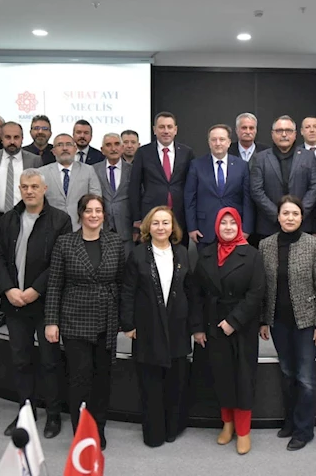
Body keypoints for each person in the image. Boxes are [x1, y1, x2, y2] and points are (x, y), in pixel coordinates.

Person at [0, 169, 72, 439]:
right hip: (14, 302)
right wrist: (8, 289)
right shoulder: (8, 219)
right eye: (24, 186)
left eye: (34, 186)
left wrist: (36, 290)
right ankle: (26, 412)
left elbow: (59, 261)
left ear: (44, 189)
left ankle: (53, 414)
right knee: (21, 361)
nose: (29, 191)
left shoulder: (60, 220)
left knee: (50, 361)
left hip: (46, 303)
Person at [45, 194, 126, 449]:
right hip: (74, 319)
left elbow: (121, 281)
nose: (93, 215)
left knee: (102, 379)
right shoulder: (65, 243)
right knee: (80, 380)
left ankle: (98, 428)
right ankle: (81, 432)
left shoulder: (115, 241)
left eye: (98, 211)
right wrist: (51, 321)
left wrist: (124, 319)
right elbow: (54, 284)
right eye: (89, 210)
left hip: (106, 319)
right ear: (80, 214)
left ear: (104, 215)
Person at [191, 208, 265, 455]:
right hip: (213, 325)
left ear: (240, 226)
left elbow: (256, 293)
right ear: (216, 227)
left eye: (233, 222)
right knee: (222, 377)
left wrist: (234, 320)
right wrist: (198, 327)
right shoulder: (205, 254)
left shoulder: (252, 254)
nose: (228, 227)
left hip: (242, 326)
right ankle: (227, 424)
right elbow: (197, 295)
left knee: (243, 379)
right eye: (223, 223)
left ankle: (243, 431)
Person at [259, 195, 316, 451]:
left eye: (295, 214)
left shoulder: (314, 244)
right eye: (285, 213)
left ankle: (304, 430)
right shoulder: (265, 245)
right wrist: (263, 321)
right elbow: (263, 287)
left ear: (302, 217)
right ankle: (290, 420)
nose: (290, 218)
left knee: (305, 378)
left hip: (306, 323)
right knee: (287, 374)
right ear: (278, 217)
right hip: (278, 322)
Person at [120, 206, 193, 447]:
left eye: (165, 223)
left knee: (175, 381)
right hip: (147, 327)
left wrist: (193, 324)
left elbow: (190, 290)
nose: (161, 227)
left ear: (173, 227)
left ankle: (172, 428)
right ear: (148, 227)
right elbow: (128, 291)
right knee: (150, 383)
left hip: (177, 327)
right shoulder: (137, 254)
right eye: (156, 223)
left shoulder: (183, 253)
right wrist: (128, 324)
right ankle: (154, 433)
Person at [185, 124, 254, 250]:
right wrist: (191, 227)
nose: (218, 143)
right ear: (209, 142)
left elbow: (247, 199)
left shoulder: (241, 166)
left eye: (222, 139)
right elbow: (190, 198)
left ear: (229, 142)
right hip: (205, 229)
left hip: (234, 229)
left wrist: (246, 228)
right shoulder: (196, 165)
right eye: (214, 139)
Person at [129, 112, 195, 243]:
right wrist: (137, 218)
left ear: (175, 130)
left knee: (179, 251)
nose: (166, 131)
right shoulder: (143, 152)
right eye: (161, 127)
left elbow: (192, 186)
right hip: (151, 215)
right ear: (154, 130)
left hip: (180, 215)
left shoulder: (187, 152)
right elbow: (134, 187)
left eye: (169, 127)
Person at [250, 116, 316, 238]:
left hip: (302, 225)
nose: (284, 134)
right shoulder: (260, 158)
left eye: (288, 131)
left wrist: (298, 214)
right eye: (279, 131)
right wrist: (279, 215)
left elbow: (315, 187)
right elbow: (256, 190)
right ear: (272, 134)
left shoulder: (308, 157)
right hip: (269, 225)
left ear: (295, 134)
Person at [0, 122, 42, 235]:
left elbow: (40, 194)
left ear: (22, 139)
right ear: (1, 138)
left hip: (25, 218)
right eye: (8, 137)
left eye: (16, 137)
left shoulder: (34, 160)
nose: (12, 142)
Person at [38, 134, 102, 230]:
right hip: (51, 227)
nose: (64, 148)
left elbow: (96, 199)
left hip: (81, 227)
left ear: (75, 149)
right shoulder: (42, 172)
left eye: (68, 144)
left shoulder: (88, 170)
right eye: (60, 145)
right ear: (53, 151)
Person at [93, 133, 135, 256]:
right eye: (108, 145)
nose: (113, 148)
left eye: (117, 144)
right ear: (102, 150)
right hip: (101, 227)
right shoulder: (93, 170)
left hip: (126, 228)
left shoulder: (132, 170)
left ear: (122, 148)